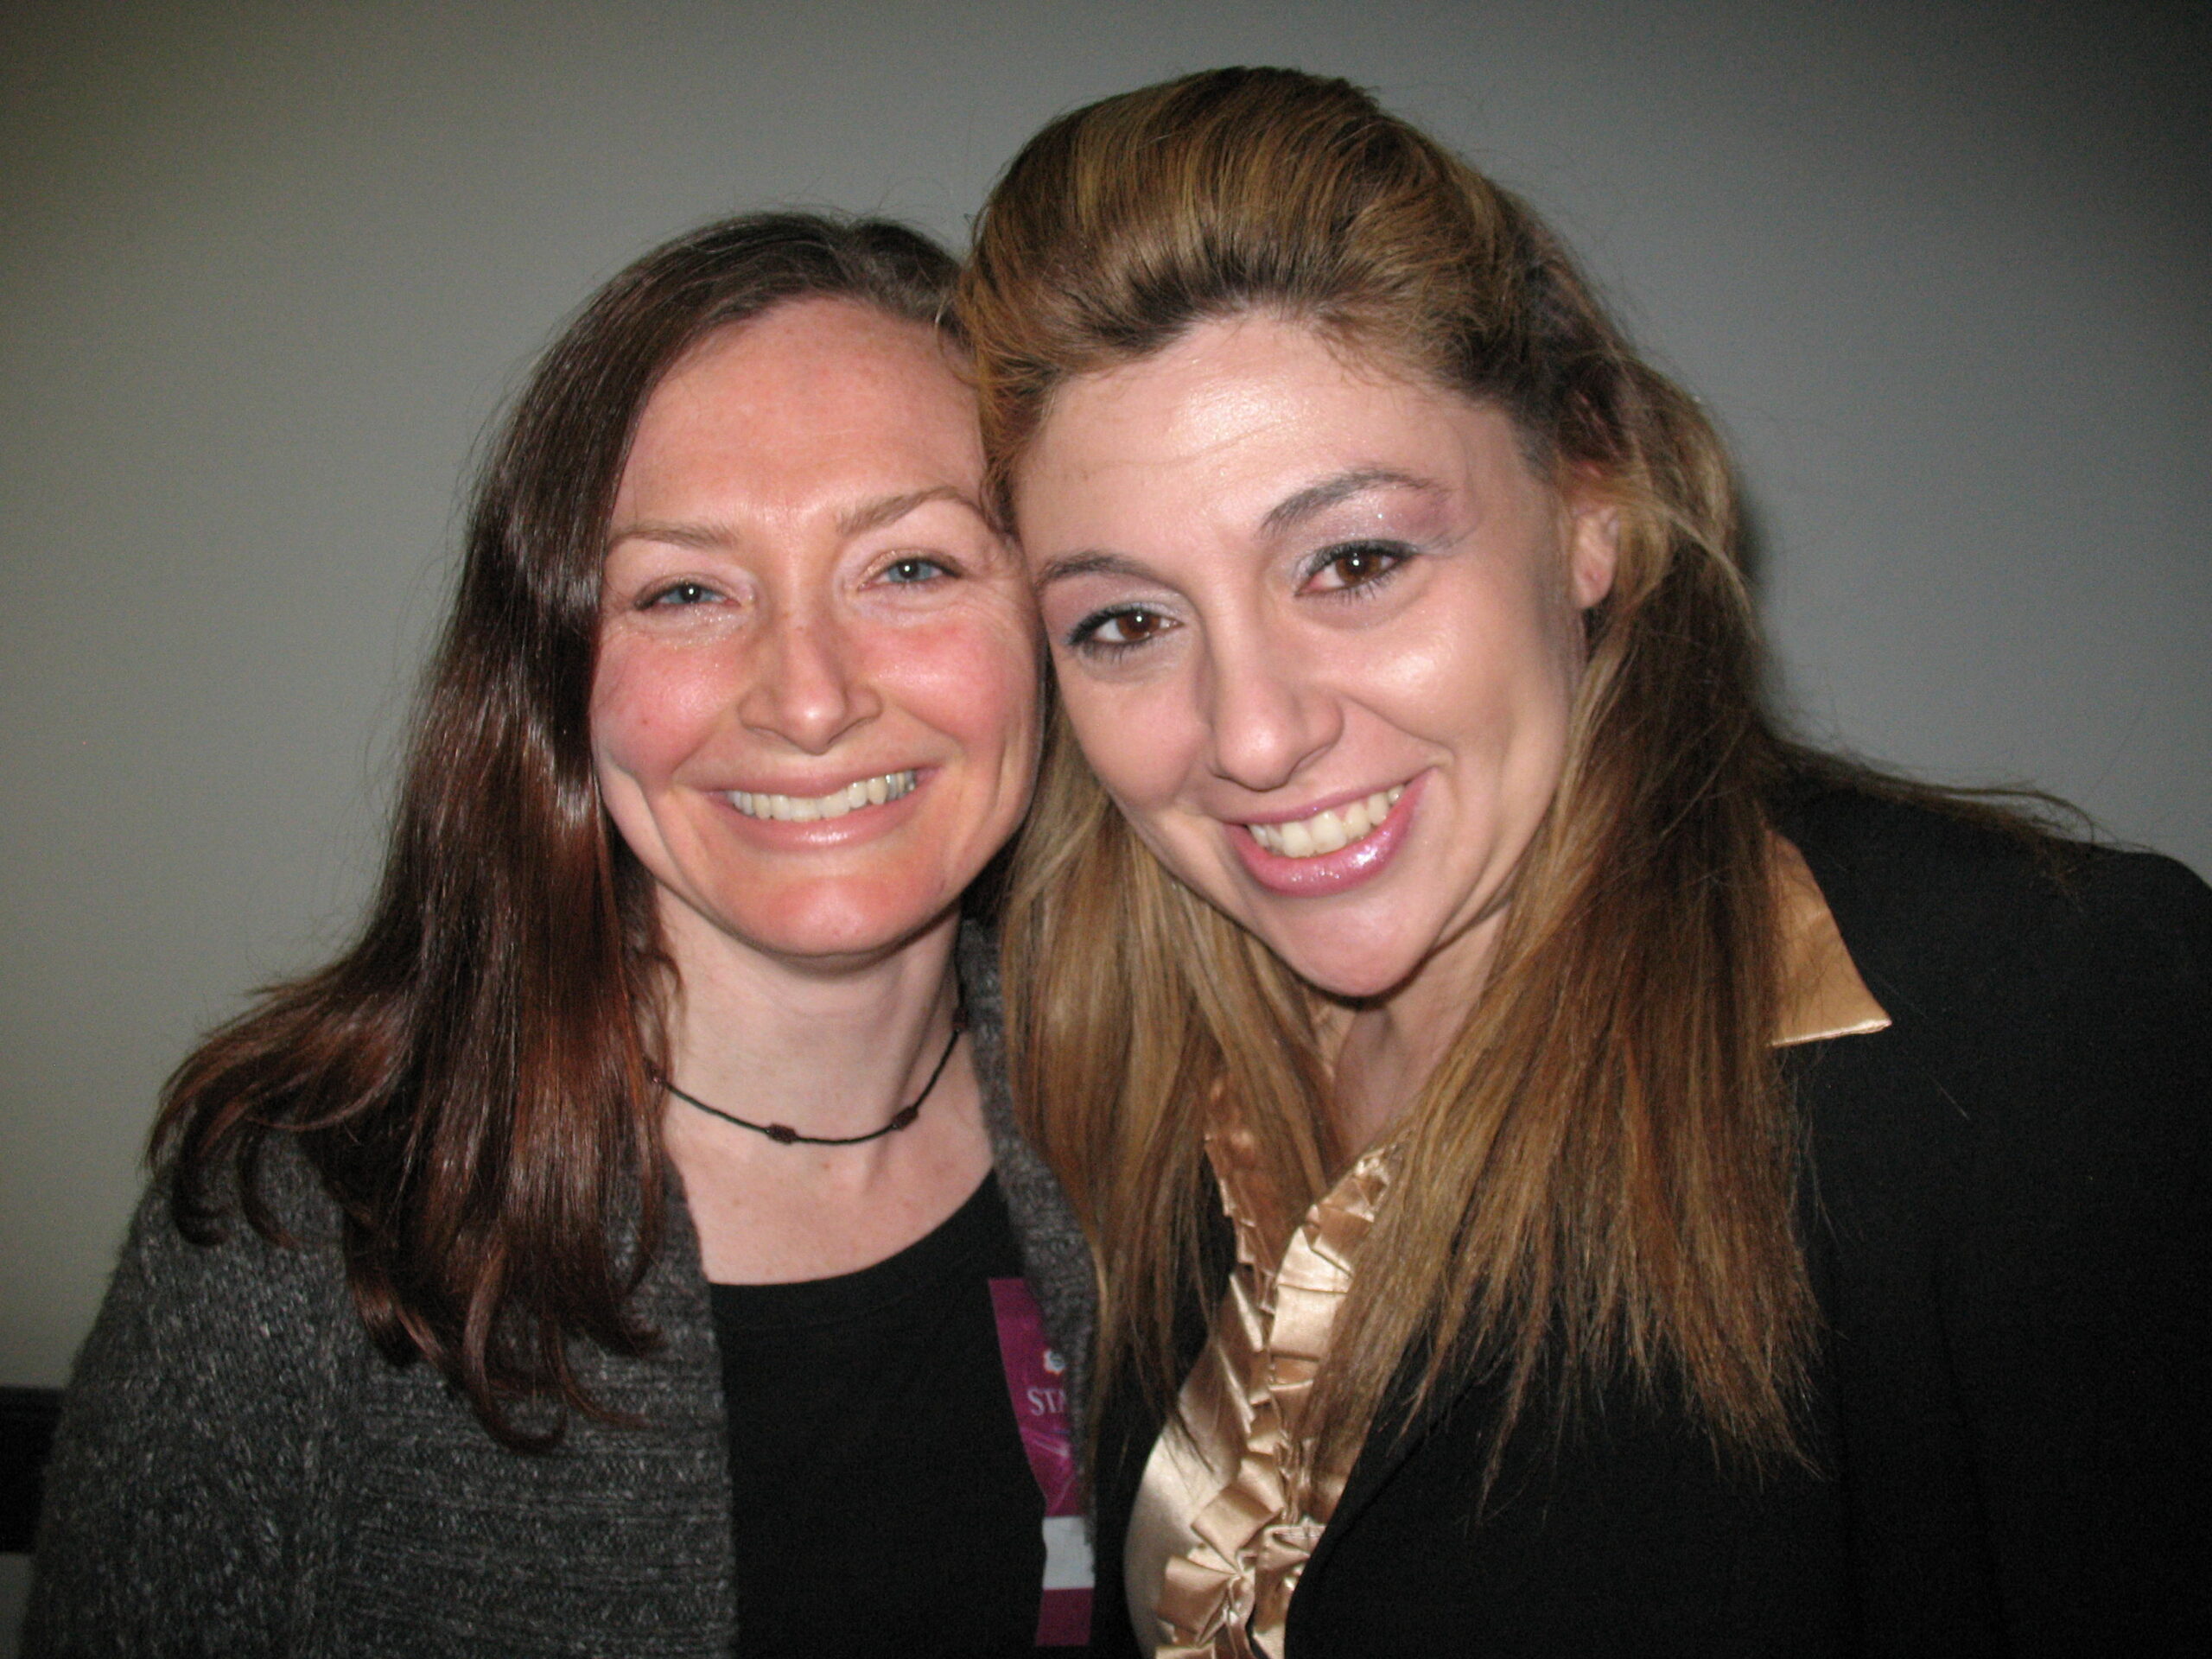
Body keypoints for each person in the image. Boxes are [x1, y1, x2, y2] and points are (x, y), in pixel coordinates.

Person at [957, 67, 2210, 1657]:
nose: (1252, 735)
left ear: (1589, 507)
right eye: (1127, 623)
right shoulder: (1136, 1066)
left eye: (1354, 562)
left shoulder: (2044, 1030)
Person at [27, 213, 1094, 1656]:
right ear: (560, 681)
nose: (809, 696)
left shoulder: (1160, 1132)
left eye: (909, 569)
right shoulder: (301, 1229)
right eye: (686, 591)